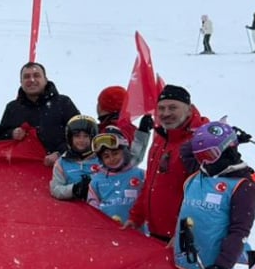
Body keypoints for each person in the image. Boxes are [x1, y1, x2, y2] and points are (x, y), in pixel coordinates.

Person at [173, 120, 255, 269]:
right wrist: (222, 135)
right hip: (184, 261)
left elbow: (239, 230)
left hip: (211, 268)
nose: (204, 161)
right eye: (200, 156)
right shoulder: (201, 172)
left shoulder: (242, 185)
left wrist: (221, 267)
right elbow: (185, 151)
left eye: (210, 155)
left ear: (229, 150)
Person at [126, 84, 208, 241]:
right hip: (157, 233)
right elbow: (150, 183)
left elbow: (203, 197)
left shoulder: (200, 142)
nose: (166, 113)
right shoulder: (160, 138)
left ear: (189, 110)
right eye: (161, 108)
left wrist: (184, 233)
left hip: (185, 238)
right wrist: (136, 217)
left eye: (172, 108)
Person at [0, 62, 80, 166]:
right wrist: (12, 133)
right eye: (26, 77)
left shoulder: (63, 103)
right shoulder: (13, 108)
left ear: (45, 79)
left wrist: (60, 153)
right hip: (26, 172)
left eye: (36, 76)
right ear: (21, 82)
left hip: (64, 170)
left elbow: (81, 135)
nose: (32, 80)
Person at [86, 128, 145, 225]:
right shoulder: (96, 181)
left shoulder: (140, 174)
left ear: (125, 152)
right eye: (106, 156)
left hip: (137, 232)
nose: (112, 159)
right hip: (108, 232)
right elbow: (92, 209)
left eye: (115, 153)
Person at [49, 115, 101, 201]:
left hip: (99, 208)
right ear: (70, 138)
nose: (81, 140)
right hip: (75, 209)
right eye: (77, 136)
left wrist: (95, 185)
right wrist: (75, 189)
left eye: (86, 136)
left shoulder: (101, 159)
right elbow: (56, 189)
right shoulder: (62, 163)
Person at [95, 85, 150, 162]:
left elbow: (124, 163)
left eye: (99, 103)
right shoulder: (131, 129)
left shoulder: (108, 131)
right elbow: (135, 159)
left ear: (103, 107)